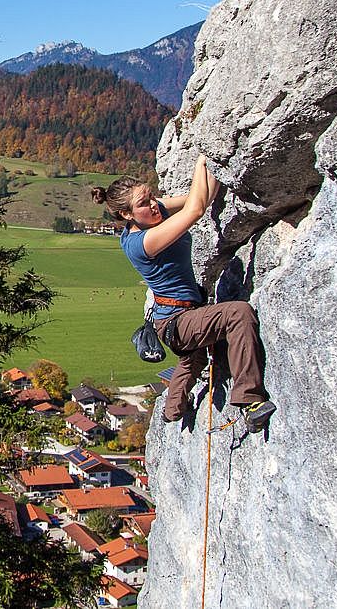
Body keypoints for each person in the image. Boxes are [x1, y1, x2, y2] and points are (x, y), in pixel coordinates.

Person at [92, 155, 275, 433]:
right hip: (175, 322)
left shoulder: (153, 212)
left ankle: (172, 409)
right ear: (127, 215)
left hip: (181, 315)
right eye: (143, 203)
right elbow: (195, 210)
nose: (153, 204)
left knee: (194, 358)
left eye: (151, 196)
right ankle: (250, 401)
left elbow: (202, 196)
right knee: (238, 314)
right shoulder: (141, 243)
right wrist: (202, 161)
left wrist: (214, 161)